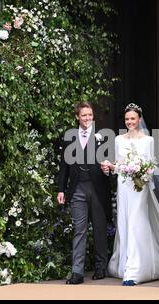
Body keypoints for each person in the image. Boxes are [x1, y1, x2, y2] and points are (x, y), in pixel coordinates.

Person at [101, 103, 159, 286]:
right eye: (127, 119)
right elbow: (118, 164)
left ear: (139, 119)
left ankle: (135, 271)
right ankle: (126, 265)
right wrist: (111, 167)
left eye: (133, 118)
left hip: (140, 187)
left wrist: (141, 173)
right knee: (125, 222)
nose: (130, 122)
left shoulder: (147, 141)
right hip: (124, 186)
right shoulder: (119, 140)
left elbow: (151, 166)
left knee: (136, 222)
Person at [57, 101, 112, 284]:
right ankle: (77, 272)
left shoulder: (102, 137)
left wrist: (108, 170)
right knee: (79, 231)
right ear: (77, 117)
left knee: (99, 229)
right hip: (77, 188)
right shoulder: (69, 137)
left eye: (90, 115)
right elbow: (64, 167)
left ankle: (100, 268)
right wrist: (61, 189)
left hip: (98, 188)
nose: (87, 118)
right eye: (84, 115)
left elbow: (111, 162)